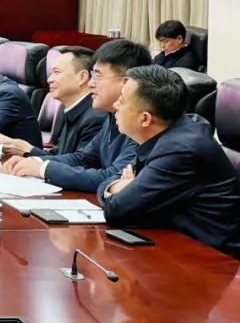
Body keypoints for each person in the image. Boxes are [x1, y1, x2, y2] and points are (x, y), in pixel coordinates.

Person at [99, 65, 240, 258]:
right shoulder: (166, 133)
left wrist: (128, 187)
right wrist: (121, 186)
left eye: (122, 101)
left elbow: (116, 211)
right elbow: (110, 181)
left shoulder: (181, 151)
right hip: (173, 243)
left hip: (212, 260)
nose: (115, 105)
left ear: (145, 119)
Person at [5, 39, 151, 191]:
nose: (91, 83)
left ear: (126, 82)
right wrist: (36, 162)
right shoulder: (111, 116)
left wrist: (43, 169)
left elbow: (112, 177)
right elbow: (83, 158)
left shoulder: (141, 124)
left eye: (98, 76)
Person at [0, 47, 106, 157]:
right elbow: (60, 155)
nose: (49, 79)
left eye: (57, 72)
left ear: (82, 77)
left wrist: (27, 150)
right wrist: (16, 145)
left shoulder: (95, 119)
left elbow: (78, 165)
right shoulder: (71, 109)